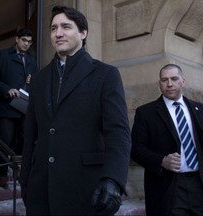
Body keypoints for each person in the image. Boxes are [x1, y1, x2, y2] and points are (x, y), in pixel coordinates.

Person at [19, 5, 131, 215]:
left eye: (66, 27)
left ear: (83, 33)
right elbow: (30, 135)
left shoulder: (105, 74)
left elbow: (118, 132)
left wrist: (113, 178)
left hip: (86, 189)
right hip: (41, 189)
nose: (58, 33)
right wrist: (24, 179)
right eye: (53, 28)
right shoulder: (39, 79)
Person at [131, 63, 203, 215]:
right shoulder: (146, 113)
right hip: (169, 188)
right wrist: (161, 161)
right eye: (164, 80)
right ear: (160, 83)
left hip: (202, 186)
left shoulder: (201, 109)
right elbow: (136, 149)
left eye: (174, 78)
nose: (169, 84)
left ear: (183, 81)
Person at [0, 27, 38, 188]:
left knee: (24, 141)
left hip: (25, 108)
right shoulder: (2, 55)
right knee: (5, 141)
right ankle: (1, 175)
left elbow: (37, 83)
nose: (26, 44)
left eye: (29, 42)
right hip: (7, 107)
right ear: (16, 39)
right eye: (24, 40)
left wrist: (33, 81)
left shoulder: (32, 61)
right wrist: (7, 90)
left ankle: (20, 173)